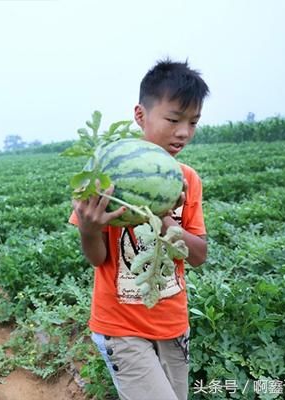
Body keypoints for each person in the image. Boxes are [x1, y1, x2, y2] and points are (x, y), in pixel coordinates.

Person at [70, 59, 209, 400]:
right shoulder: (104, 178)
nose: (183, 132)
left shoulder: (187, 179)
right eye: (174, 119)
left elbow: (199, 256)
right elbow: (98, 258)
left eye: (193, 122)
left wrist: (164, 219)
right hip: (120, 327)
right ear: (140, 114)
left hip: (173, 325)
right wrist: (88, 230)